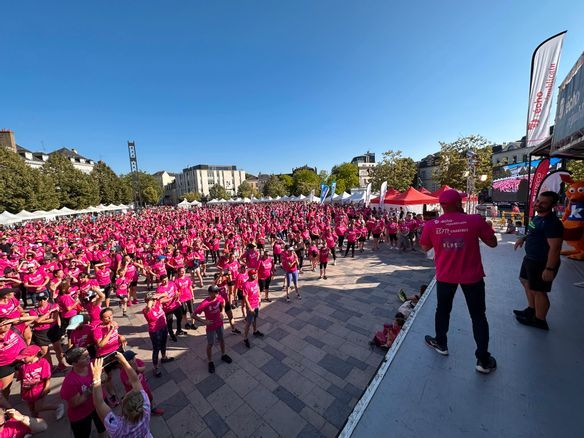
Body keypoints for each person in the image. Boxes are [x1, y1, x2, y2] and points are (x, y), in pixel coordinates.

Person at [420, 189, 498, 374]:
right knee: (478, 316)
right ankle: (483, 359)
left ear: (441, 206)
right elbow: (493, 243)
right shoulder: (475, 220)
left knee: (443, 310)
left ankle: (441, 343)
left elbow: (424, 247)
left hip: (445, 276)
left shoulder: (432, 225)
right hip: (472, 277)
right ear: (459, 203)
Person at [513, 192, 563, 330]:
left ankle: (540, 320)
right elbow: (532, 233)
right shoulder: (536, 218)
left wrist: (549, 268)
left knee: (539, 291)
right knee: (525, 281)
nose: (538, 204)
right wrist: (523, 239)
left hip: (542, 262)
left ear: (553, 206)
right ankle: (531, 309)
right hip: (530, 258)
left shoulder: (552, 223)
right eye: (538, 201)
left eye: (543, 203)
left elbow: (555, 247)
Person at [90, 352, 152, 438]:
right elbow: (136, 381)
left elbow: (99, 403)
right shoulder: (146, 408)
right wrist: (124, 362)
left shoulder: (117, 428)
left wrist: (96, 378)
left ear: (123, 409)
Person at [60, 347, 106, 438]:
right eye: (84, 357)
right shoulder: (70, 382)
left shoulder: (94, 364)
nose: (89, 357)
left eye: (88, 354)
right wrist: (90, 389)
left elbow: (106, 378)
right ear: (74, 363)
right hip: (81, 415)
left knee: (103, 428)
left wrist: (104, 378)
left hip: (99, 405)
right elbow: (74, 403)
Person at [15, 344, 65, 420]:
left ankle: (57, 406)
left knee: (39, 407)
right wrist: (22, 392)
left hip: (39, 390)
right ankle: (35, 420)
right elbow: (22, 379)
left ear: (33, 355)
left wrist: (46, 388)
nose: (22, 359)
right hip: (27, 392)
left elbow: (47, 377)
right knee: (32, 409)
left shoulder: (43, 363)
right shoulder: (23, 366)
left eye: (24, 357)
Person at [193, 285, 233, 374]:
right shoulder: (204, 303)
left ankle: (223, 355)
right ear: (211, 293)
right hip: (210, 327)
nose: (218, 293)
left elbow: (223, 302)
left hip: (219, 324)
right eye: (216, 292)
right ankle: (210, 362)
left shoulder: (219, 297)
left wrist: (222, 312)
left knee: (222, 339)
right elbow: (193, 315)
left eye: (218, 291)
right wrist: (204, 321)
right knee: (210, 344)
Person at [118, 350, 164, 416]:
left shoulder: (137, 362)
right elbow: (129, 383)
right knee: (139, 404)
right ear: (129, 361)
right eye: (133, 358)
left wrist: (137, 368)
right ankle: (142, 414)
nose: (135, 358)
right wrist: (133, 371)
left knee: (150, 397)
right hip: (135, 394)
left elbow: (144, 368)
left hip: (145, 387)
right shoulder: (123, 372)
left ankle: (152, 408)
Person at [142, 292, 174, 378]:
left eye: (154, 299)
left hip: (163, 327)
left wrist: (157, 296)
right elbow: (149, 307)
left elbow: (166, 294)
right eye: (152, 300)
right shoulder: (146, 310)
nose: (155, 301)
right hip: (155, 331)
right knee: (156, 348)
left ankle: (164, 358)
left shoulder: (158, 303)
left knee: (164, 344)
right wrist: (150, 300)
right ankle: (155, 367)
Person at [242, 270, 263, 349]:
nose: (255, 275)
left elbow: (258, 288)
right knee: (248, 323)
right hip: (251, 306)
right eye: (253, 274)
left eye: (255, 274)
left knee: (255, 319)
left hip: (256, 304)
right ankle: (245, 338)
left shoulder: (255, 281)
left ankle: (254, 331)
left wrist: (260, 297)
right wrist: (250, 308)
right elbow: (245, 298)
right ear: (249, 275)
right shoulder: (246, 285)